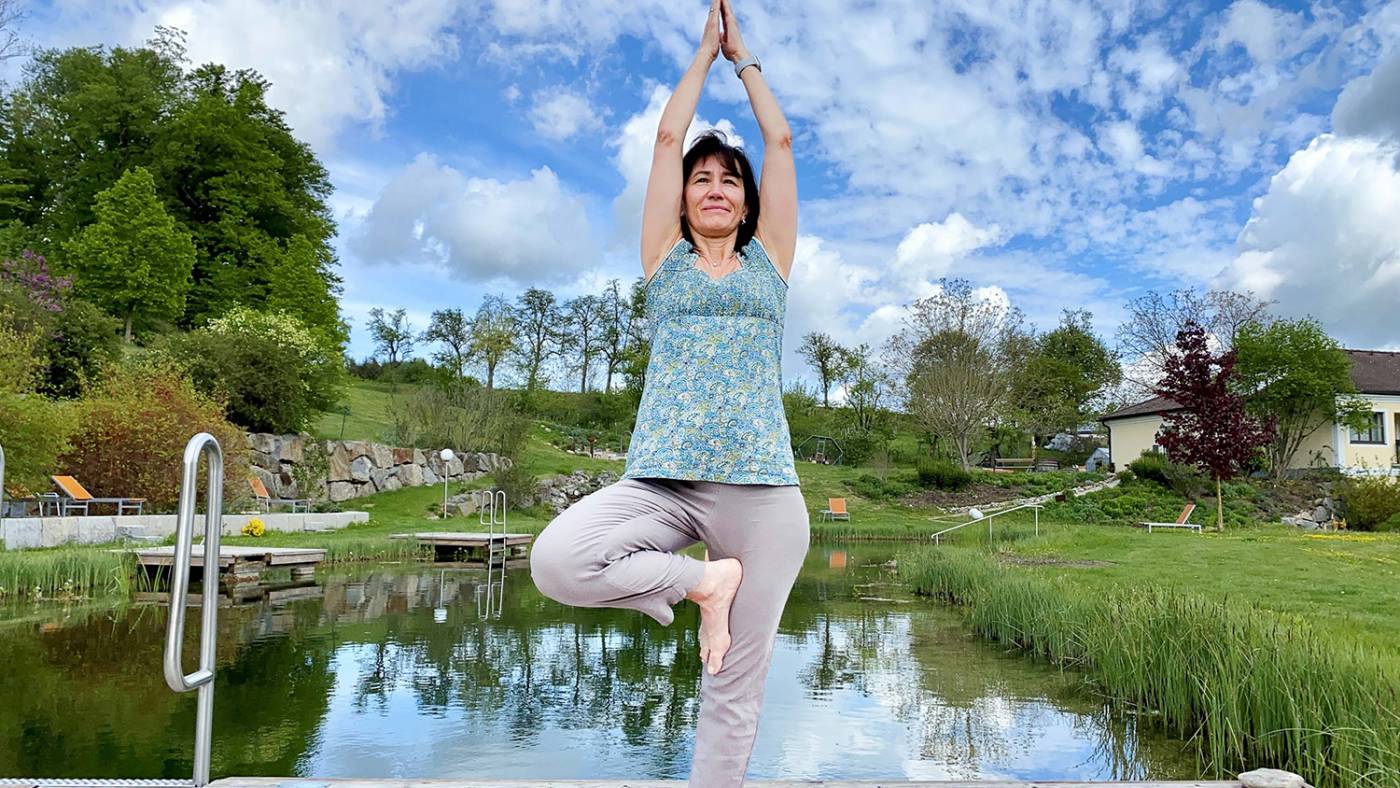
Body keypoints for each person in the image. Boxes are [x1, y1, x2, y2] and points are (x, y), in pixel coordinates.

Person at [529, 0, 806, 785]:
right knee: (558, 561)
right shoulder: (663, 262)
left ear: (748, 204)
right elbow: (662, 139)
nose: (714, 187)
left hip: (762, 492)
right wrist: (699, 54)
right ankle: (702, 584)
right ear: (683, 200)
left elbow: (780, 141)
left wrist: (742, 58)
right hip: (662, 483)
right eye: (701, 179)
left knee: (731, 685)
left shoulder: (772, 265)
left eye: (729, 181)